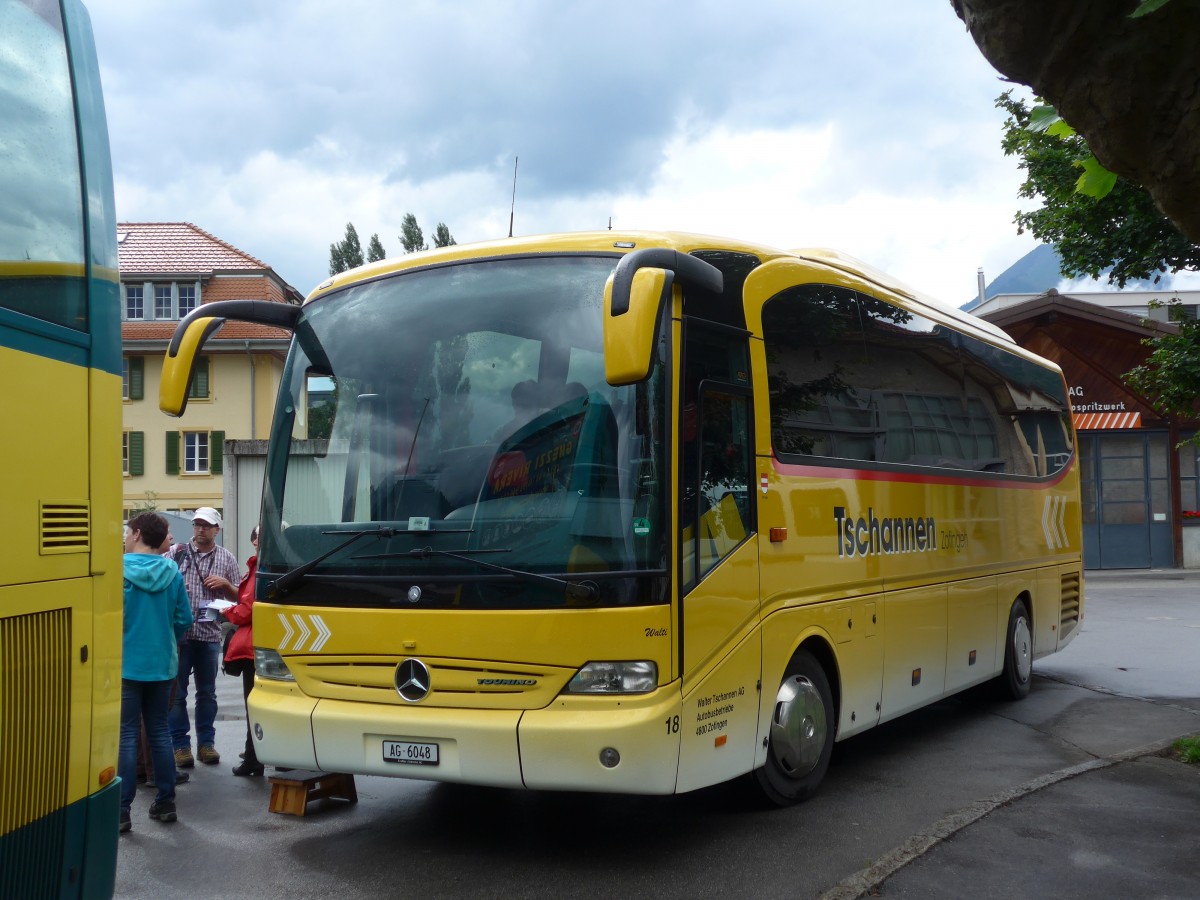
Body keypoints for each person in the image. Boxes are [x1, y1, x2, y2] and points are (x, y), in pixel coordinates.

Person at [119, 512, 193, 833]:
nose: (125, 538)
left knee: (126, 735)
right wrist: (166, 637)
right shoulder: (172, 571)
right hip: (163, 665)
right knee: (160, 732)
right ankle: (165, 802)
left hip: (126, 665)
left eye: (127, 533)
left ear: (137, 534)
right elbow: (184, 618)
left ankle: (121, 810)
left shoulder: (119, 572)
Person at [167, 507, 239, 768]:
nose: (200, 529)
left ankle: (206, 744)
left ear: (216, 530)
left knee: (207, 693)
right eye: (197, 524)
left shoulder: (226, 558)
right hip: (180, 636)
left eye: (206, 526)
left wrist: (226, 585)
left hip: (209, 636)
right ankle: (181, 746)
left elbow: (239, 598)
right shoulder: (177, 553)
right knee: (177, 695)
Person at [213, 525, 264, 776]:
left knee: (253, 705)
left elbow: (247, 610)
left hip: (254, 647)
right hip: (265, 645)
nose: (257, 541)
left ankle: (254, 758)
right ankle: (260, 754)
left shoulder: (260, 567)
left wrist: (226, 611)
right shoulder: (271, 565)